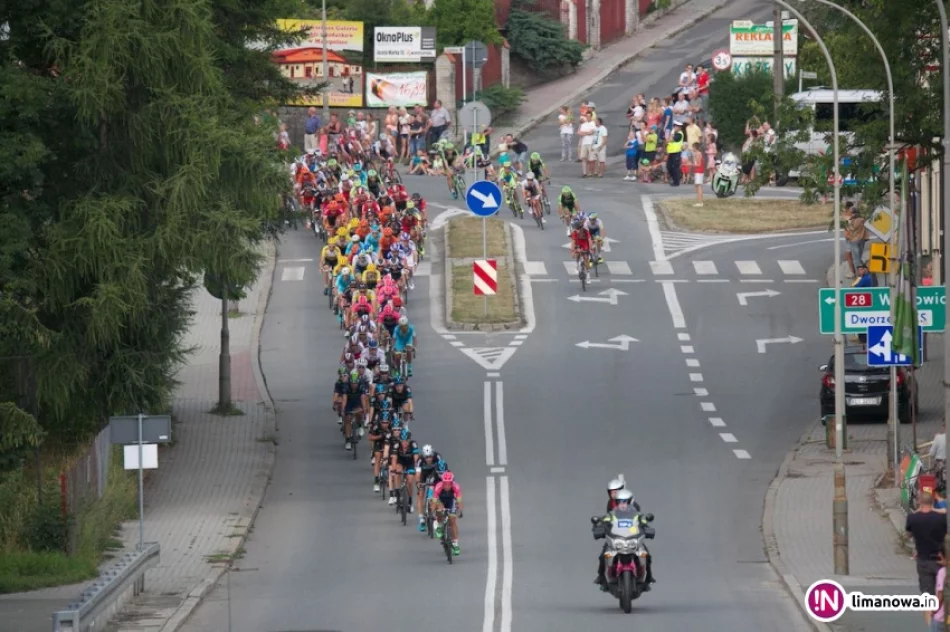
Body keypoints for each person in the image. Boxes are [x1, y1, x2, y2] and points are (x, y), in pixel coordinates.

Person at [592, 488, 655, 590]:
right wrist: (598, 526)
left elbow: (644, 523)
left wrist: (647, 529)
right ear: (617, 503)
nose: (622, 504)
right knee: (603, 556)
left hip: (633, 539)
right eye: (620, 502)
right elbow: (603, 521)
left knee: (646, 555)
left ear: (629, 502)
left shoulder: (637, 515)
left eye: (625, 501)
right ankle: (601, 578)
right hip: (616, 540)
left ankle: (648, 578)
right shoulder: (612, 515)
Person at [906, 492, 948, 598]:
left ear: (919, 502)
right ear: (932, 502)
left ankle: (930, 608)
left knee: (927, 595)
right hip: (940, 559)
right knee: (942, 591)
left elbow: (908, 534)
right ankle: (940, 607)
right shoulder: (941, 519)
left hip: (923, 560)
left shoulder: (912, 518)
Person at [416, 444, 448, 531]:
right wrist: (418, 483)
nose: (429, 459)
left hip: (435, 473)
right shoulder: (420, 460)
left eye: (430, 456)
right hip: (423, 474)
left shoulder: (437, 457)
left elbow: (442, 468)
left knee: (435, 489)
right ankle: (421, 518)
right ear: (424, 456)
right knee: (420, 494)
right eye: (426, 457)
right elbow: (418, 474)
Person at [433, 470, 464, 556]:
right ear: (442, 482)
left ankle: (455, 544)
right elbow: (434, 502)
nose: (447, 486)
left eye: (449, 483)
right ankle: (439, 525)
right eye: (445, 483)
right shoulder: (438, 486)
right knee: (440, 508)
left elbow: (459, 501)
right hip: (440, 501)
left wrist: (460, 510)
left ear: (452, 483)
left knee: (453, 521)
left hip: (451, 501)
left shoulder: (456, 487)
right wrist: (433, 512)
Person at [569, 217, 592, 282]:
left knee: (586, 258)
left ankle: (588, 275)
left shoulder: (586, 231)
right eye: (575, 229)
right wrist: (572, 251)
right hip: (577, 245)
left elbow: (589, 240)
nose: (576, 230)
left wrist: (590, 249)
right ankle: (577, 265)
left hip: (585, 245)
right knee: (577, 255)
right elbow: (573, 242)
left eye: (577, 229)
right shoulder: (574, 233)